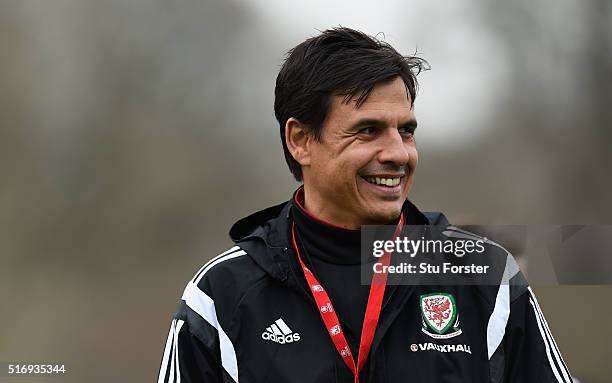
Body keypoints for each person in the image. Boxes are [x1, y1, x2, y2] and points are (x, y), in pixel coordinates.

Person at [157, 27, 572, 383]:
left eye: (406, 131)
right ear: (300, 139)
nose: (398, 153)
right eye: (368, 130)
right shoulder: (220, 296)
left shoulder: (486, 278)